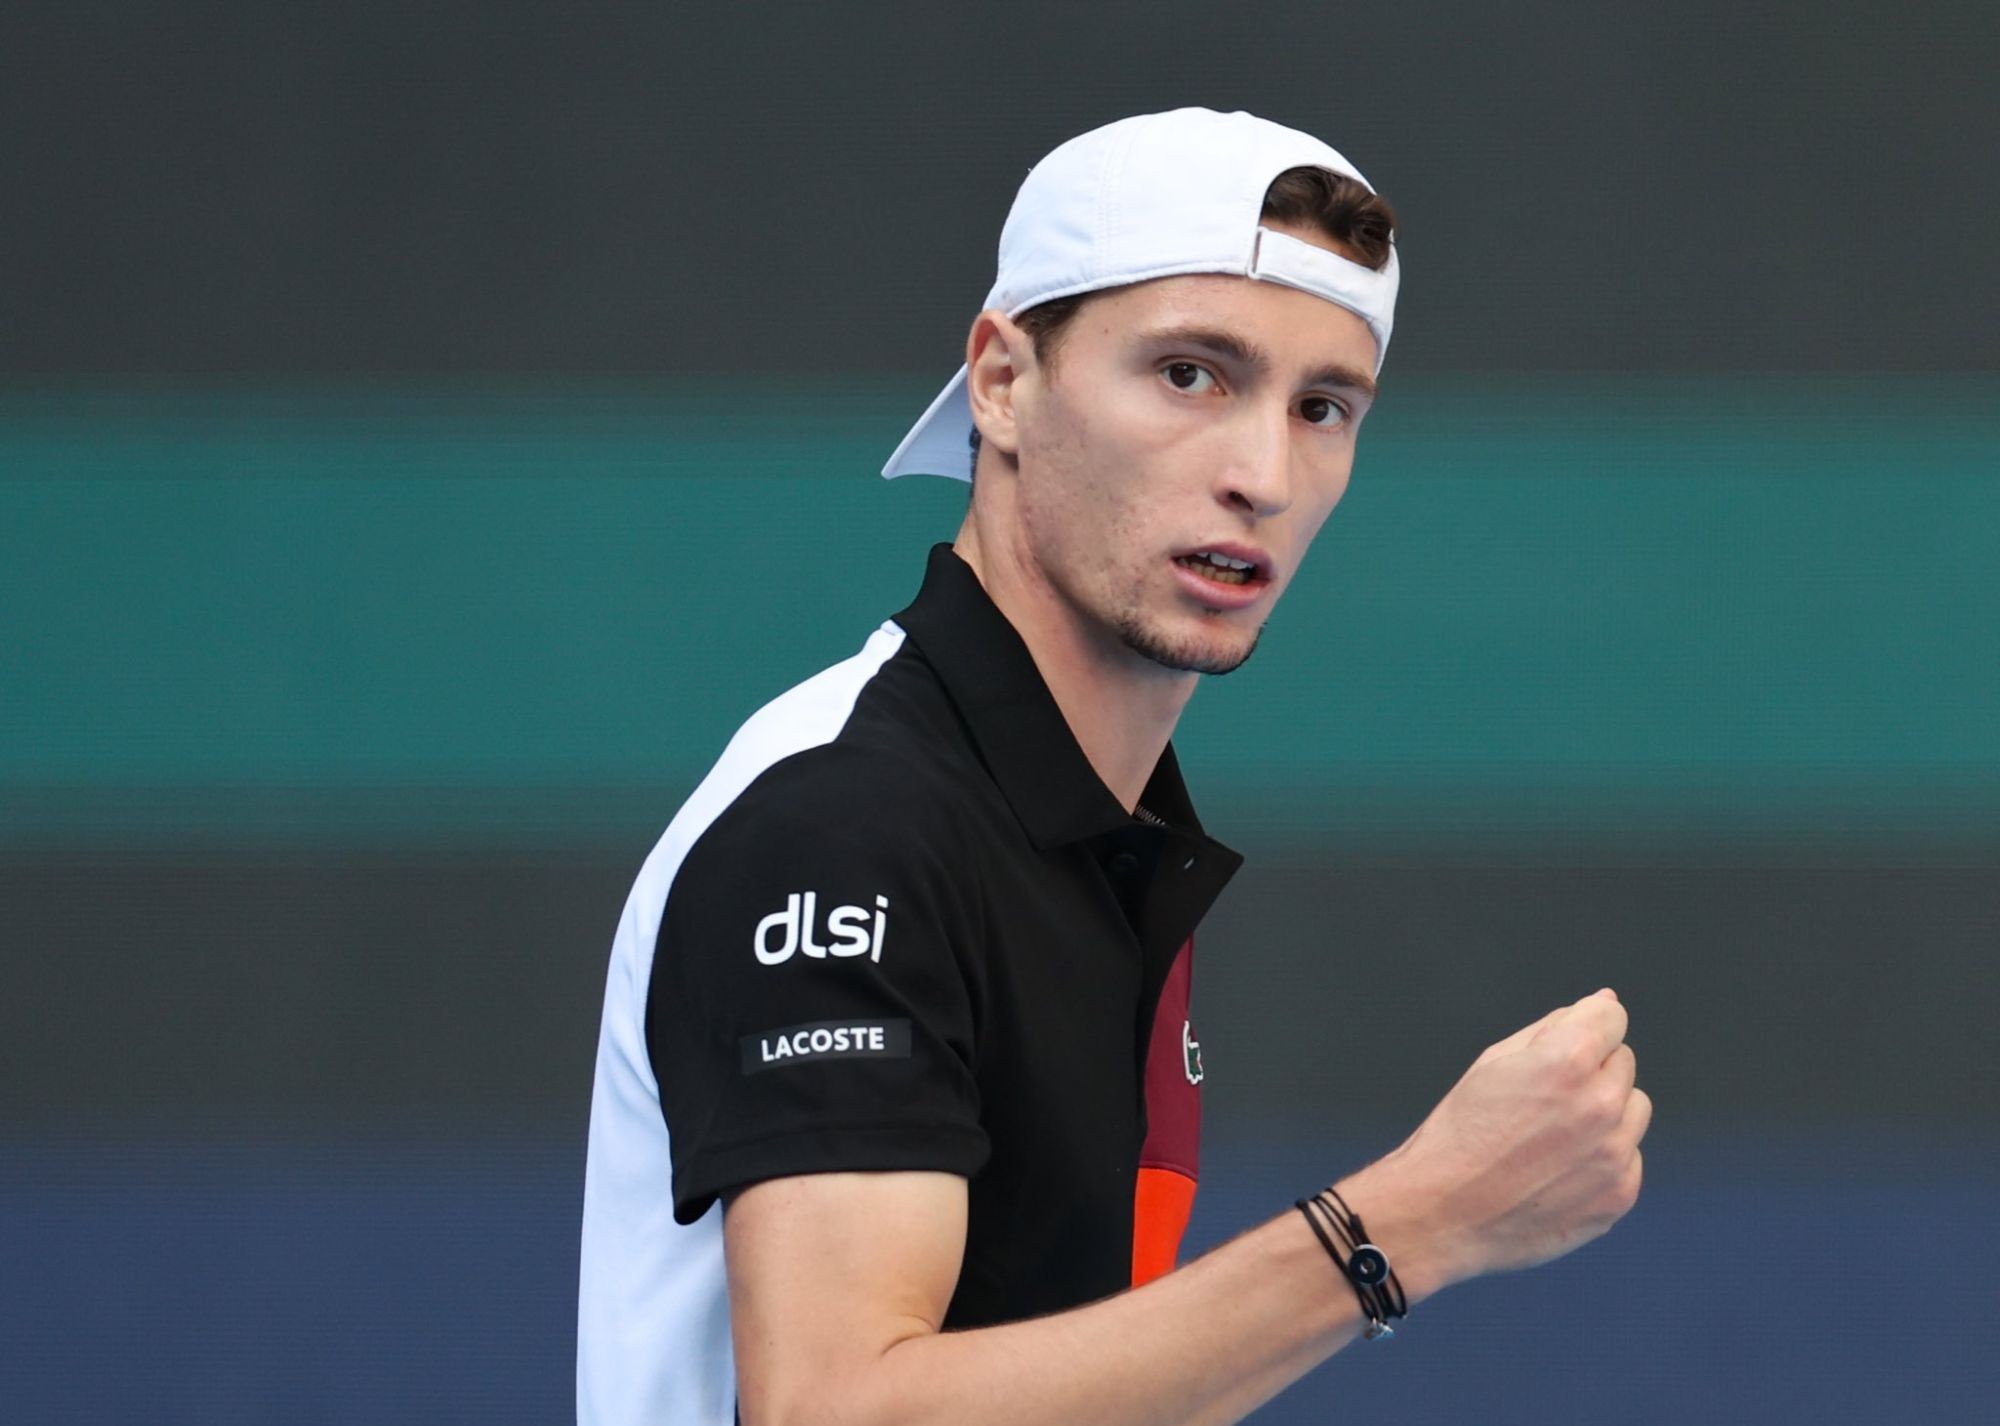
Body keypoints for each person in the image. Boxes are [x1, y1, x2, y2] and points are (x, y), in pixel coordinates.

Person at [577, 107, 1650, 1426]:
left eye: (1323, 407)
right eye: (1191, 374)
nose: (1263, 474)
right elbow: (838, 1410)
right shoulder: (849, 822)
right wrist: (1400, 1227)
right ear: (1002, 382)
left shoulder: (1086, 830)